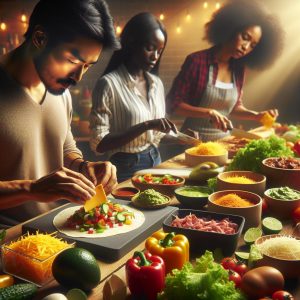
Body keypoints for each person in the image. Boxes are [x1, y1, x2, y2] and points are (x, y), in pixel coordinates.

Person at [0, 0, 120, 226]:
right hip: (10, 238)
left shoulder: (60, 91)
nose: (78, 77)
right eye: (72, 61)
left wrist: (84, 167)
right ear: (39, 39)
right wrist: (31, 188)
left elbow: (65, 148)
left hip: (60, 227)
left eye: (88, 66)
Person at [167, 0, 284, 141]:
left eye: (253, 45)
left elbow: (234, 108)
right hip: (192, 141)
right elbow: (173, 104)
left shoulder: (239, 69)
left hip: (224, 142)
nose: (246, 47)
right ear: (232, 28)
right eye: (245, 37)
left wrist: (256, 115)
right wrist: (209, 112)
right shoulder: (197, 61)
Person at [90, 12, 177, 182]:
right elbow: (99, 144)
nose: (155, 57)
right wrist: (146, 125)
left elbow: (155, 135)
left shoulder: (156, 84)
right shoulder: (108, 84)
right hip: (124, 168)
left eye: (160, 51)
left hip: (155, 161)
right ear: (131, 42)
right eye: (150, 48)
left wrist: (180, 137)